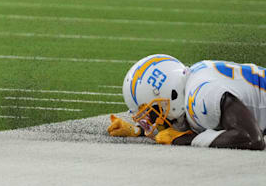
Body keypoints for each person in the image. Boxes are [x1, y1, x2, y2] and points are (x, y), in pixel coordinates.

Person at [107, 54, 265, 150]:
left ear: (171, 94)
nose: (151, 121)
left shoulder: (200, 95)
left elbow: (251, 138)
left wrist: (189, 140)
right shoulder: (191, 81)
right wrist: (138, 130)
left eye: (152, 112)